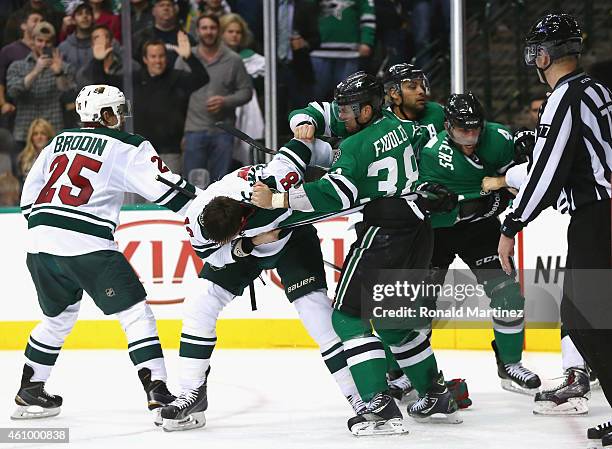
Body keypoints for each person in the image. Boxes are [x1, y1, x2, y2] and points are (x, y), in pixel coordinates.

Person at [252, 72, 461, 435]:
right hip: (418, 230)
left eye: (348, 111)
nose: (342, 117)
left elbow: (336, 195)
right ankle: (436, 394)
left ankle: (379, 407)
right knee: (396, 325)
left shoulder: (355, 147)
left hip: (384, 235)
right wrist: (311, 128)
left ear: (367, 109)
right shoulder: (402, 123)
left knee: (348, 318)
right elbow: (335, 129)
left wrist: (277, 199)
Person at [12, 83, 199, 422]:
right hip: (87, 244)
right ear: (102, 114)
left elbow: (29, 196)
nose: (121, 117)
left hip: (38, 242)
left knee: (58, 318)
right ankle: (157, 390)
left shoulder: (56, 141)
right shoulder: (127, 145)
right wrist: (212, 204)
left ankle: (30, 388)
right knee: (134, 313)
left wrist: (50, 231)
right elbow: (167, 189)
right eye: (116, 110)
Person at [159, 138, 364, 431]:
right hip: (248, 249)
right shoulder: (199, 217)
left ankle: (361, 399)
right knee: (200, 301)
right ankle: (192, 392)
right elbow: (211, 253)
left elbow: (298, 149)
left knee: (315, 312)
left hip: (291, 241)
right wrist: (250, 243)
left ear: (242, 221)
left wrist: (330, 149)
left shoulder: (276, 181)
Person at [496, 13, 612, 447]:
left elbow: (546, 174)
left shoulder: (563, 99)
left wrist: (512, 225)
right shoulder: (598, 89)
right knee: (595, 318)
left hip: (599, 217)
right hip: (603, 213)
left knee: (586, 319)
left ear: (544, 55)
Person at [417, 92, 541, 395]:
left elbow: (523, 181)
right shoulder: (434, 155)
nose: (470, 137)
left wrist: (530, 149)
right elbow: (438, 211)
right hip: (439, 232)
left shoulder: (499, 137)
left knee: (508, 292)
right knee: (420, 303)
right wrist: (485, 199)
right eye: (463, 131)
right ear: (447, 126)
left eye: (475, 129)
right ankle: (406, 372)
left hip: (481, 230)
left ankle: (510, 364)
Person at [89, 34, 209, 174]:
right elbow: (102, 85)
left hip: (169, 153)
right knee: (136, 196)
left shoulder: (177, 78)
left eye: (161, 56)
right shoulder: (133, 80)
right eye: (153, 56)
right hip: (136, 150)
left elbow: (202, 78)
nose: (158, 61)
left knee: (167, 194)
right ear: (145, 59)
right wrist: (98, 61)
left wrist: (189, 57)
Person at [175, 13, 251, 181]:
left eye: (212, 28)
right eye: (204, 28)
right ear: (197, 31)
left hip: (223, 131)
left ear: (219, 31)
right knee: (192, 185)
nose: (208, 32)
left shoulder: (233, 59)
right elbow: (175, 98)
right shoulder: (185, 58)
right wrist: (179, 133)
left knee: (221, 183)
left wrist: (226, 101)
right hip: (193, 131)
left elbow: (246, 91)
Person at [6, 22, 75, 150]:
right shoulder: (18, 66)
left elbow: (69, 97)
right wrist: (35, 71)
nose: (43, 45)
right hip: (24, 132)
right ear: (32, 41)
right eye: (39, 40)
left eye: (48, 41)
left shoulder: (64, 67)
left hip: (53, 131)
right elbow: (12, 92)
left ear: (53, 43)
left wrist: (59, 73)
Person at [309, 0, 375, 101]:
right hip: (318, 50)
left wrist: (367, 41)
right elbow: (304, 9)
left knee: (348, 97)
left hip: (350, 53)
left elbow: (368, 15)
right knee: (315, 97)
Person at [220, 13, 264, 165]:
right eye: (230, 31)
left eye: (238, 32)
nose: (234, 35)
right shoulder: (215, 56)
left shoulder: (252, 58)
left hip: (246, 109)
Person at [0, 10, 43, 124]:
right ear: (23, 25)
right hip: (17, 110)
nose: (39, 24)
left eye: (42, 21)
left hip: (43, 110)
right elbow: (0, 81)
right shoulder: (8, 51)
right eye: (35, 20)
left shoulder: (47, 49)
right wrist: (3, 104)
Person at [133, 0, 197, 68]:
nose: (166, 8)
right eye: (161, 5)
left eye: (169, 5)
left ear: (175, 10)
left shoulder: (186, 39)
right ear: (153, 11)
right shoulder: (140, 38)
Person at [58, 2, 94, 69]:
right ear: (73, 20)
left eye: (88, 13)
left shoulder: (101, 43)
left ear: (92, 18)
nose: (85, 16)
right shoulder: (64, 47)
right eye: (80, 14)